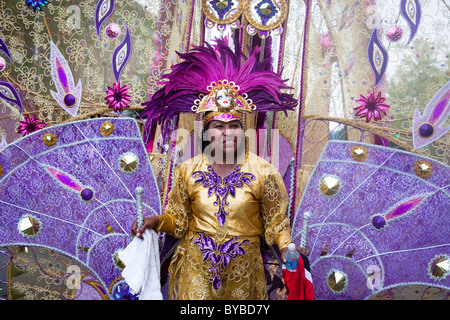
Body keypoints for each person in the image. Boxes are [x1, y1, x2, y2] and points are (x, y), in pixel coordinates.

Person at [134, 38, 303, 299]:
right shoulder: (186, 171)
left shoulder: (264, 172)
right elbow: (178, 222)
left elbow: (277, 224)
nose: (226, 133)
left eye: (233, 126)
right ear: (206, 132)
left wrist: (286, 248)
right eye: (219, 127)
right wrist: (155, 222)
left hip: (243, 278)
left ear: (243, 130)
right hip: (195, 274)